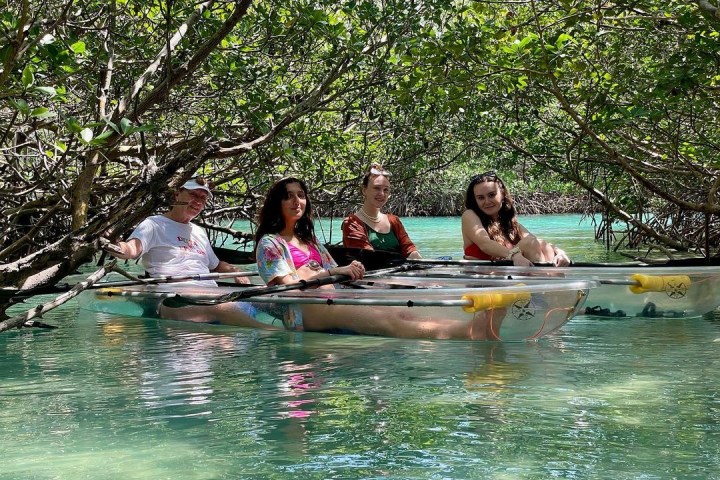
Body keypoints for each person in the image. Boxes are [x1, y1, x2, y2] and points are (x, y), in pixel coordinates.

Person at [254, 177, 489, 339]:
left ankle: (470, 327)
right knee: (383, 319)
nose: (297, 202)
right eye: (288, 197)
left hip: (330, 299)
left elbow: (336, 273)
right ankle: (470, 331)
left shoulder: (310, 241)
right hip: (304, 310)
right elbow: (288, 290)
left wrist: (349, 270)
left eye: (301, 195)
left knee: (398, 312)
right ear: (278, 203)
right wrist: (333, 273)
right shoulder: (269, 243)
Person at [105, 177, 274, 329]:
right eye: (194, 195)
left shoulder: (199, 231)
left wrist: (236, 272)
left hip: (211, 294)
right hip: (176, 300)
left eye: (203, 198)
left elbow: (215, 265)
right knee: (222, 309)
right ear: (177, 194)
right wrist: (112, 245)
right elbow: (132, 250)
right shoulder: (154, 224)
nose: (198, 201)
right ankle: (275, 334)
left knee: (270, 299)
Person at [461, 171, 571, 267]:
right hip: (483, 282)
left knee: (539, 244)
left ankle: (551, 286)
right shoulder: (469, 215)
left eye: (491, 195)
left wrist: (560, 253)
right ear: (475, 200)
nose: (487, 201)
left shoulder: (509, 222)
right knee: (528, 243)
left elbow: (537, 242)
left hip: (506, 278)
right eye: (481, 198)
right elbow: (485, 244)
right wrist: (514, 255)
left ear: (502, 194)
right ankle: (547, 287)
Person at [342, 163, 421, 259]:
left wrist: (418, 260)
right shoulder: (352, 223)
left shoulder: (394, 221)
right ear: (364, 190)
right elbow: (368, 258)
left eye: (386, 190)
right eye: (376, 188)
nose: (382, 194)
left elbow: (409, 249)